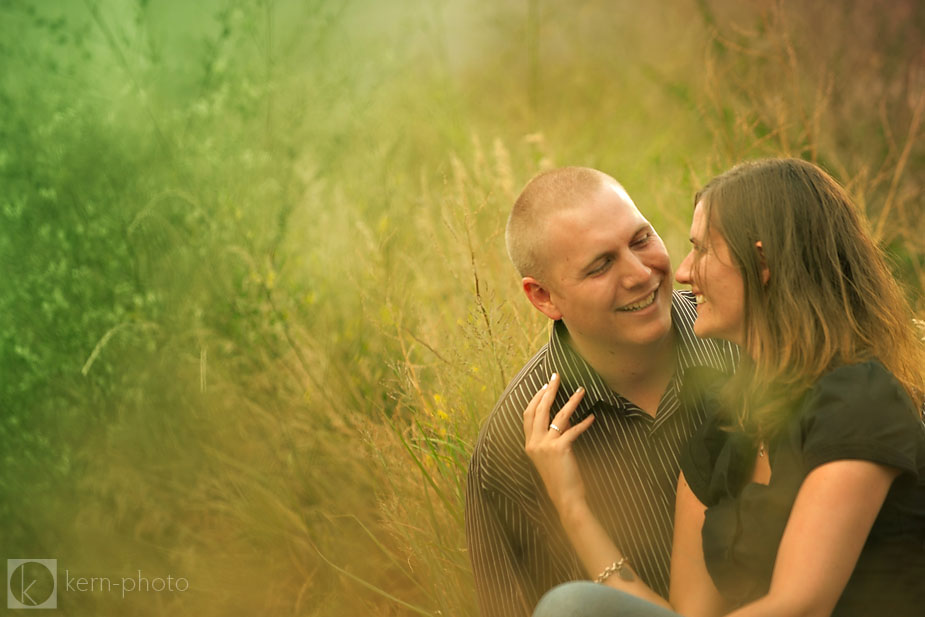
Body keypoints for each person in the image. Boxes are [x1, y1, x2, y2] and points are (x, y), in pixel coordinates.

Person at [525, 158, 925, 617]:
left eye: (703, 251)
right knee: (574, 606)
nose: (683, 272)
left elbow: (801, 605)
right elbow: (688, 614)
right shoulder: (723, 424)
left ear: (762, 263)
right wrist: (572, 506)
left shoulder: (859, 402)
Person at [465, 167, 739, 617]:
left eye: (640, 240)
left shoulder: (740, 342)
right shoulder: (509, 451)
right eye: (600, 266)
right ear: (543, 298)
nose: (639, 274)